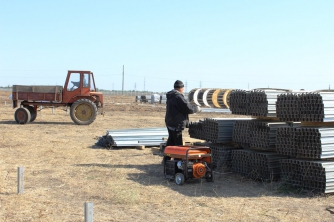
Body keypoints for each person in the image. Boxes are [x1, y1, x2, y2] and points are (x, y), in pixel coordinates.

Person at [165, 80, 201, 146]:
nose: (183, 89)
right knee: (178, 144)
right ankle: (177, 156)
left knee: (171, 141)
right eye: (183, 88)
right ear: (180, 88)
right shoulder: (178, 97)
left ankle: (167, 156)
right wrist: (196, 108)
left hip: (170, 122)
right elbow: (187, 108)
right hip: (176, 123)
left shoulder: (171, 96)